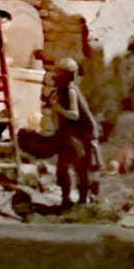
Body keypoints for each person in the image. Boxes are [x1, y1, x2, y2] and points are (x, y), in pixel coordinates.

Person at [48, 57, 99, 207]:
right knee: (64, 168)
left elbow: (75, 115)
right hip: (68, 135)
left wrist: (59, 109)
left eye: (59, 73)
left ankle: (83, 199)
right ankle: (66, 198)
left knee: (79, 168)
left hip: (78, 136)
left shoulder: (71, 91)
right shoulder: (60, 91)